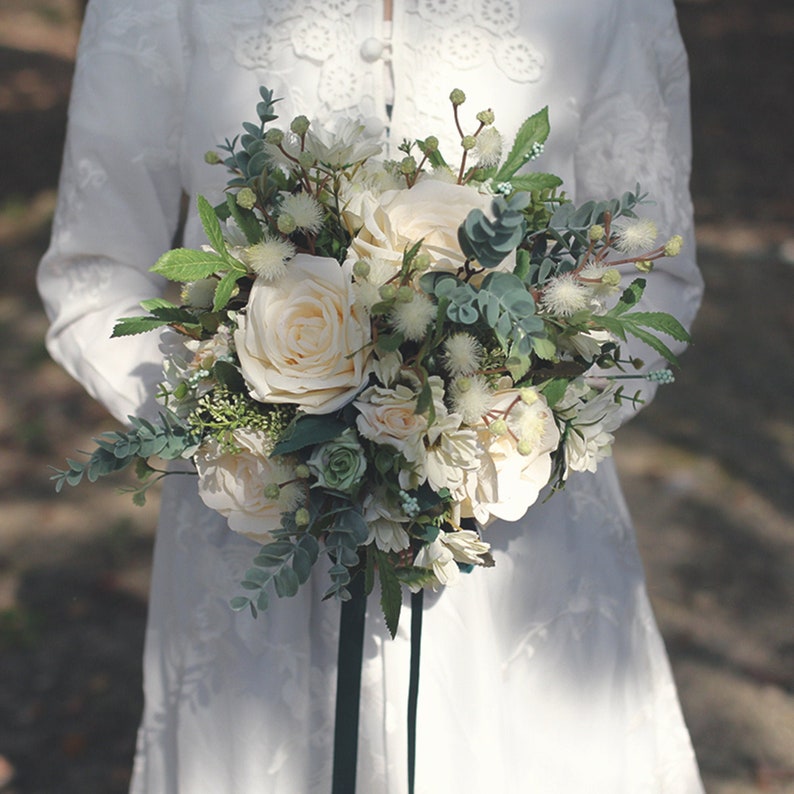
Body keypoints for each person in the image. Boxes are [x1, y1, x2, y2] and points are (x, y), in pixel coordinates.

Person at [38, 0, 706, 791]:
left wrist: (507, 427)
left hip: (515, 541)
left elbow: (650, 269)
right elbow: (94, 272)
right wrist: (237, 421)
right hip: (254, 537)